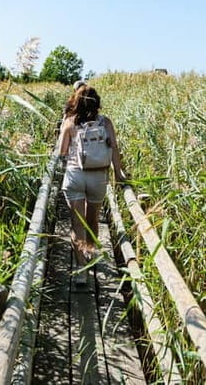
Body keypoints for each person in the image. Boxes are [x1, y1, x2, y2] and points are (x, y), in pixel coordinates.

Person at [56, 84, 127, 285]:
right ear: (97, 103)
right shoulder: (106, 122)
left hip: (75, 176)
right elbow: (114, 148)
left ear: (76, 102)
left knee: (77, 223)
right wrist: (118, 174)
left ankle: (81, 269)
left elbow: (62, 151)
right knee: (93, 220)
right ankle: (90, 255)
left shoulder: (70, 122)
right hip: (98, 177)